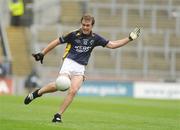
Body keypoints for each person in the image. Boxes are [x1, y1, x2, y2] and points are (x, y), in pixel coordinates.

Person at [24, 14, 140, 123]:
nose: (85, 27)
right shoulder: (73, 34)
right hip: (69, 62)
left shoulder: (95, 38)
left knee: (73, 90)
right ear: (81, 24)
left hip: (80, 67)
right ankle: (37, 93)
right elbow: (56, 42)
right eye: (83, 24)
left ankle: (58, 115)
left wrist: (129, 38)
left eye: (87, 25)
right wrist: (43, 53)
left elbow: (112, 45)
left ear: (92, 26)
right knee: (61, 85)